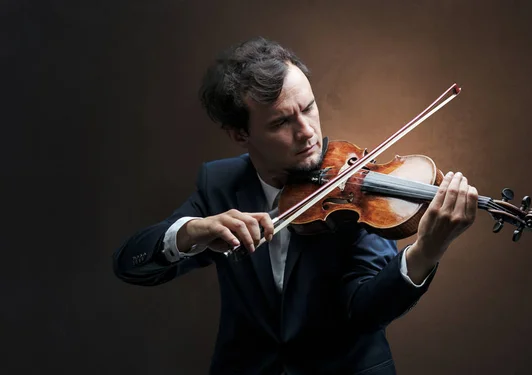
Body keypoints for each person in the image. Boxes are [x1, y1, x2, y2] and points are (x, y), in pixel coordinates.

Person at [113, 36, 479, 375]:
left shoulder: (354, 188)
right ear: (240, 134)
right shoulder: (220, 184)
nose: (306, 132)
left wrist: (427, 250)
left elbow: (364, 311)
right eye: (281, 122)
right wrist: (192, 231)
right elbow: (131, 265)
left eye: (308, 108)